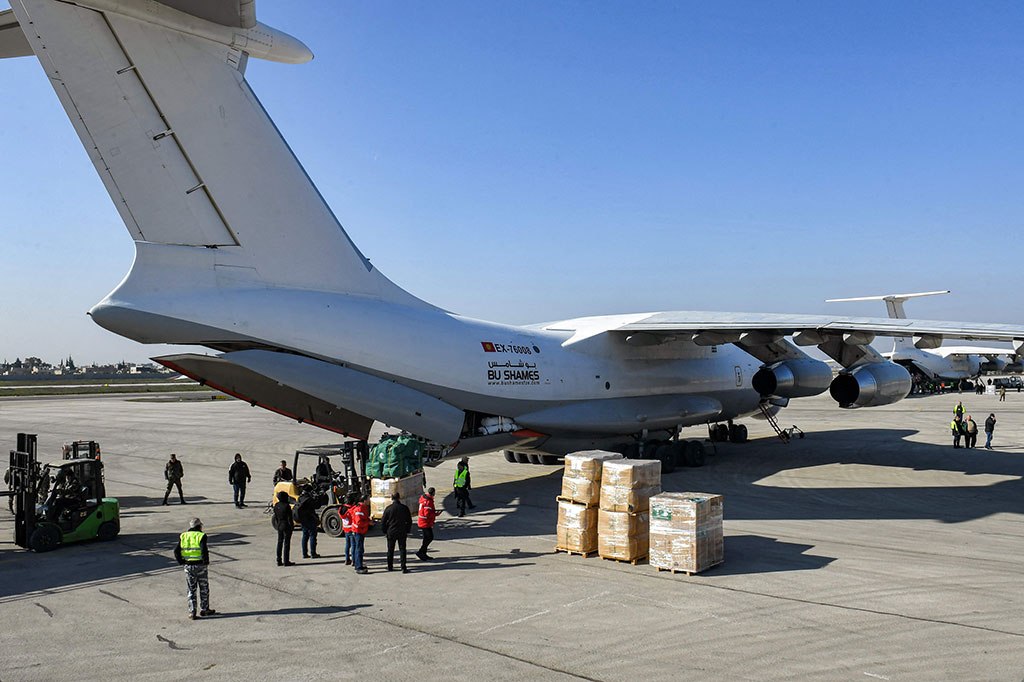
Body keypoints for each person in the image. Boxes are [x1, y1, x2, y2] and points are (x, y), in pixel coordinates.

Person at [174, 517, 214, 619]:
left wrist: (181, 561)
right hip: (200, 565)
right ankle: (205, 609)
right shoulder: (201, 536)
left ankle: (192, 612)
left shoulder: (184, 536)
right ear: (199, 526)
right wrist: (206, 562)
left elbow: (176, 551)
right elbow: (204, 550)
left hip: (188, 566)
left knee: (191, 589)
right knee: (203, 587)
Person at [380, 492, 412, 573]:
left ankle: (390, 566)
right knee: (402, 549)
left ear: (392, 499)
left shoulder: (388, 509)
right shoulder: (404, 508)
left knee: (390, 550)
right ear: (399, 498)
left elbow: (383, 522)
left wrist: (385, 531)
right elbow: (409, 521)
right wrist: (407, 530)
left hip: (391, 531)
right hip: (402, 531)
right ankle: (403, 567)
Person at [347, 495, 370, 574]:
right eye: (368, 499)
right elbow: (359, 522)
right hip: (358, 531)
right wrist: (368, 522)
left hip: (360, 531)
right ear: (364, 500)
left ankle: (359, 564)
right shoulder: (360, 509)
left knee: (359, 549)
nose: (369, 501)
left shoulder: (363, 508)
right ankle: (358, 566)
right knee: (359, 549)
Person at [273, 491, 295, 566]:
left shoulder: (276, 505)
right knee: (286, 544)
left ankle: (279, 560)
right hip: (286, 525)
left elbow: (276, 516)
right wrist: (291, 526)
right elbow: (289, 518)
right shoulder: (286, 506)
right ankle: (286, 560)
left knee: (279, 542)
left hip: (279, 525)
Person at [416, 487, 438, 561]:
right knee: (429, 537)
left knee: (426, 538)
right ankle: (421, 551)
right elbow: (427, 514)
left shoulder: (424, 499)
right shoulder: (428, 502)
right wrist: (435, 514)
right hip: (425, 523)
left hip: (423, 522)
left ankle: (423, 553)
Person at [297, 493, 320, 559]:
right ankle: (313, 553)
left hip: (303, 520)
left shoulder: (300, 498)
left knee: (305, 536)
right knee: (312, 536)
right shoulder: (309, 499)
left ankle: (304, 553)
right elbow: (317, 506)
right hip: (310, 519)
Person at [340, 496, 355, 565]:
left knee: (347, 545)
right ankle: (354, 560)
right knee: (353, 545)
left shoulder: (342, 508)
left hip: (345, 528)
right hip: (351, 529)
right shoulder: (351, 509)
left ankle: (347, 559)